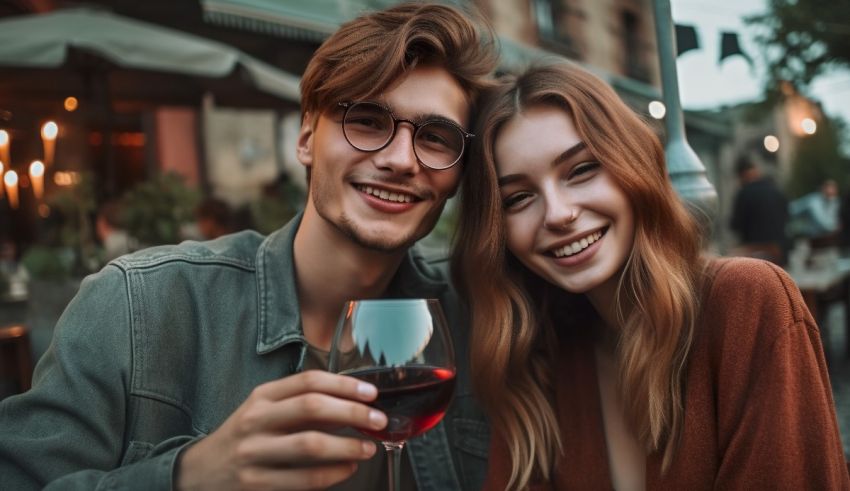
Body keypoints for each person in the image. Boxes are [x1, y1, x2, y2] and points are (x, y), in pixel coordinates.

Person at [0, 3, 496, 490]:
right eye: (366, 120)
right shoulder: (138, 307)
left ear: (459, 172)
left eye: (435, 137)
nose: (400, 159)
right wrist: (188, 477)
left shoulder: (481, 317)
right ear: (306, 137)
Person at [451, 62, 850, 490]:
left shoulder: (747, 302)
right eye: (518, 198)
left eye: (582, 170)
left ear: (634, 167)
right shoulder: (537, 357)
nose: (558, 214)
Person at [728, 157, 789, 265]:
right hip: (778, 248)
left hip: (754, 250)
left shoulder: (744, 193)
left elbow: (736, 224)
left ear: (742, 175)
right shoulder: (775, 190)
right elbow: (787, 215)